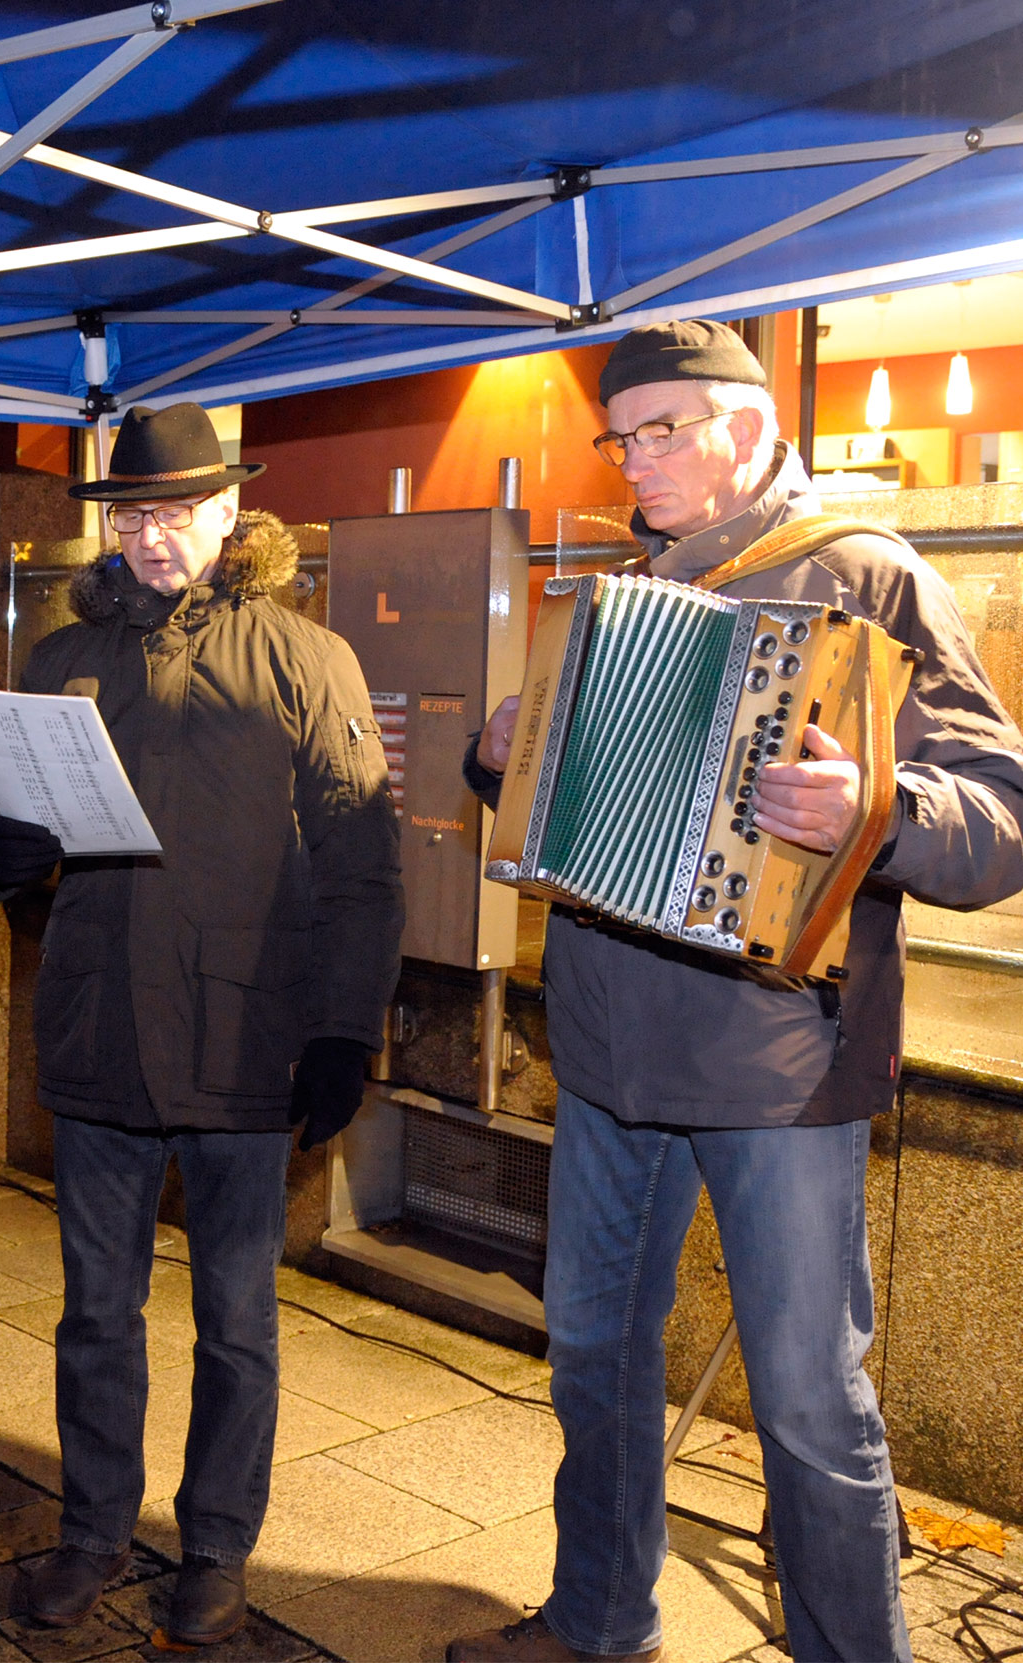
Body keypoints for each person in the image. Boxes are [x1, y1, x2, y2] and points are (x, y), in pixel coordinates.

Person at [447, 321, 1023, 1663]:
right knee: (592, 1352)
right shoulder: (621, 586)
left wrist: (876, 807)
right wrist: (500, 754)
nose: (634, 458)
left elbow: (1001, 809)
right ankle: (598, 1615)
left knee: (810, 1400)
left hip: (779, 1059)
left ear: (752, 431)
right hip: (605, 1048)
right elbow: (561, 794)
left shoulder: (867, 573)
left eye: (664, 430)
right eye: (622, 434)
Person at [0, 402, 402, 1644]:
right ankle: (91, 1529)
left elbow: (364, 866)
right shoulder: (60, 659)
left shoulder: (304, 660)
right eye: (135, 516)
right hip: (99, 1033)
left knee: (235, 1321)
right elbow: (15, 840)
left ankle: (215, 1545)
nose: (155, 538)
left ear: (228, 514)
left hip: (244, 1040)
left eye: (178, 513)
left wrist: (342, 1032)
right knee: (95, 1310)